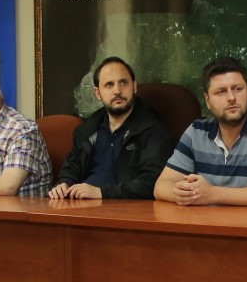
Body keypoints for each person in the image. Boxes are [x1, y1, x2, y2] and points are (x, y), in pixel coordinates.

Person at [154, 56, 247, 207]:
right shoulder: (196, 131)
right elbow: (161, 187)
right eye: (221, 92)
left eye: (238, 89)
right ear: (207, 100)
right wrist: (185, 193)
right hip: (209, 221)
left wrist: (212, 194)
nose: (231, 98)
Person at [48, 56, 172, 201]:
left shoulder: (152, 129)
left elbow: (151, 182)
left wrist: (101, 193)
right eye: (109, 85)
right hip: (82, 205)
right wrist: (63, 184)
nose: (117, 91)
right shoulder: (88, 129)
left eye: (123, 83)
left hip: (124, 208)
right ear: (97, 93)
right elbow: (71, 169)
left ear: (134, 86)